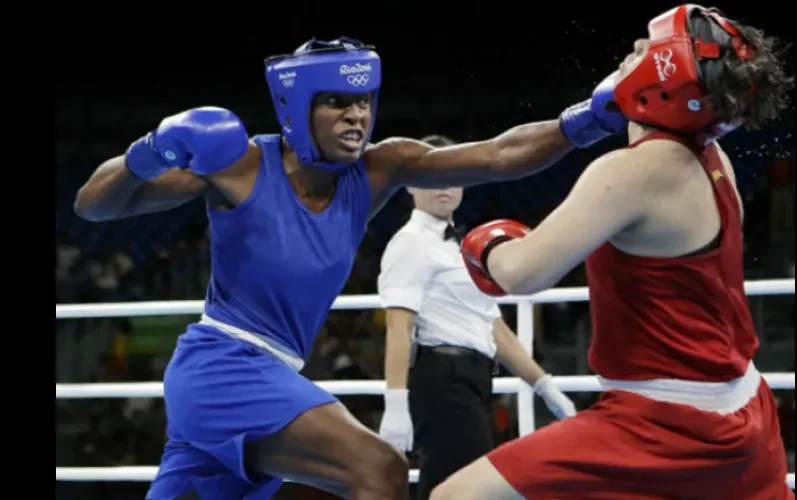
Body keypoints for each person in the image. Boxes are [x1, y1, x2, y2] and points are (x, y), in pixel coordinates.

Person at [73, 36, 627, 500]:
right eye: (337, 101)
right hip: (222, 367)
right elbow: (93, 204)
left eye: (363, 100)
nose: (356, 115)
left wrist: (589, 120)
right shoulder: (240, 164)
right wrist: (152, 150)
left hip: (270, 371)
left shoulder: (380, 169)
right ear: (299, 108)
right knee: (379, 469)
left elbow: (498, 156)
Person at [433, 5, 795, 500]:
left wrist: (485, 242)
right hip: (744, 407)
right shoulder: (713, 160)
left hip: (666, 423)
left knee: (455, 497)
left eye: (647, 49)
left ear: (663, 81)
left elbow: (518, 274)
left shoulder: (632, 172)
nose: (633, 53)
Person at [377, 134, 576, 499]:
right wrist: (394, 402)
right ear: (409, 185)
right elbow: (399, 327)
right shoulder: (410, 243)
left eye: (453, 177)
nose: (445, 186)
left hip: (473, 381)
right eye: (433, 178)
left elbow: (492, 326)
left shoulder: (464, 247)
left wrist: (544, 385)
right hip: (441, 380)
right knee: (469, 488)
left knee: (447, 487)